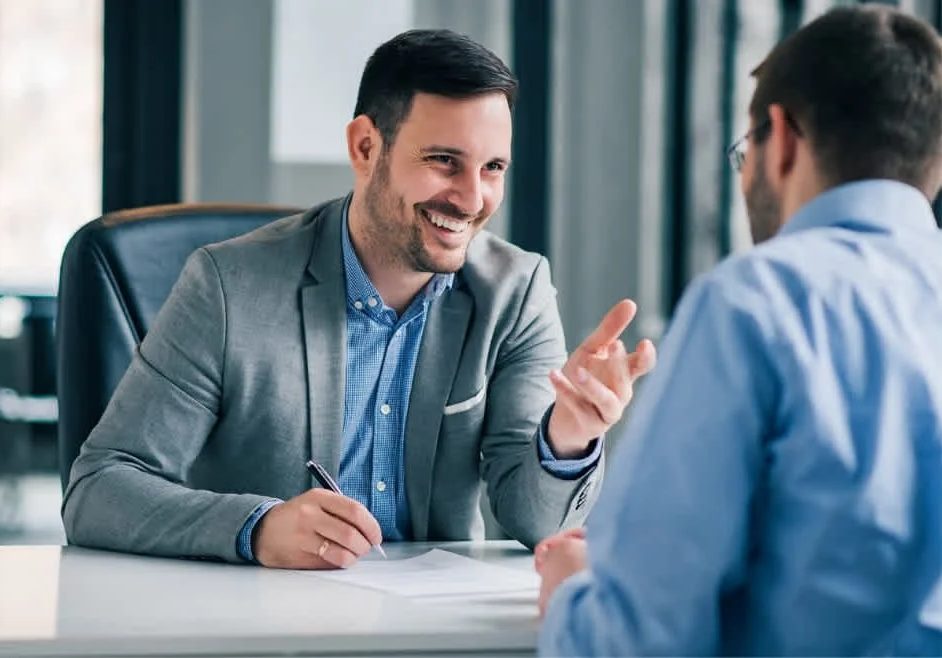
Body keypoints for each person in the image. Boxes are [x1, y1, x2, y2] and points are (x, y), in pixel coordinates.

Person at [62, 28, 656, 569]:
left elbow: (536, 522)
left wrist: (569, 436)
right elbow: (99, 489)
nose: (472, 198)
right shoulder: (225, 285)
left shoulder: (515, 293)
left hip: (430, 632)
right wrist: (257, 527)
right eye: (444, 161)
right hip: (260, 627)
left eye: (493, 167)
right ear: (366, 148)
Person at [535, 5, 942, 655]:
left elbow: (639, 640)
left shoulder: (755, 303)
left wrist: (576, 595)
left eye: (743, 150)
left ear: (779, 138)